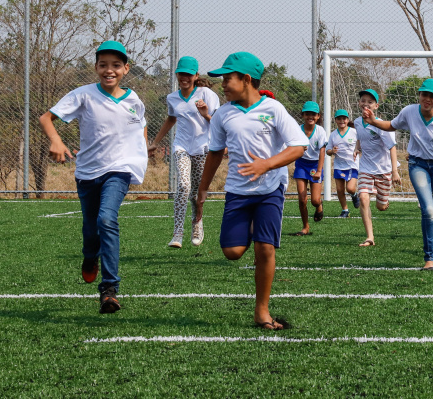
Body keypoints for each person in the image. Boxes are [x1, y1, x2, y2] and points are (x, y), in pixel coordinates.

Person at [196, 52, 308, 330]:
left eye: (227, 78)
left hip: (271, 189)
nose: (222, 83)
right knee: (232, 252)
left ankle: (262, 310)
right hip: (237, 191)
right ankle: (254, 229)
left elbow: (298, 146)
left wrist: (267, 165)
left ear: (246, 80)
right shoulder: (223, 114)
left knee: (265, 248)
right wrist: (202, 191)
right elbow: (214, 154)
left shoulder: (273, 109)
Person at [39, 40, 148, 314]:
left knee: (107, 219)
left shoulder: (134, 99)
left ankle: (109, 289)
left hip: (119, 171)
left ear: (126, 69)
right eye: (103, 65)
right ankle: (90, 257)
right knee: (90, 230)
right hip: (87, 172)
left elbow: (141, 128)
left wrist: (142, 153)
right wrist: (56, 142)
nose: (108, 70)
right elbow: (45, 118)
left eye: (115, 65)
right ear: (96, 67)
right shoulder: (84, 95)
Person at [362, 78, 433, 270]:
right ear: (419, 95)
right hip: (417, 165)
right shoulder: (409, 111)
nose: (427, 99)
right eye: (424, 94)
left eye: (432, 96)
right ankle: (429, 259)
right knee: (428, 211)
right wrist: (373, 121)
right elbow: (391, 126)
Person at [148, 56, 220, 248]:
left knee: (196, 193)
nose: (184, 78)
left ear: (196, 75)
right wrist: (155, 142)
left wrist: (205, 114)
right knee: (183, 185)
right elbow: (171, 120)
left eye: (188, 74)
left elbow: (218, 123)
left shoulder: (207, 94)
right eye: (181, 74)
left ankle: (197, 223)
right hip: (181, 147)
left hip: (203, 148)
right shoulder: (172, 98)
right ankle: (177, 232)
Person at [353, 89, 401, 247]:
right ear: (359, 103)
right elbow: (360, 136)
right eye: (363, 100)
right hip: (366, 168)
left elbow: (392, 147)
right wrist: (357, 148)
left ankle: (384, 201)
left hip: (384, 170)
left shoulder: (381, 125)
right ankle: (370, 237)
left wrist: (394, 172)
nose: (366, 104)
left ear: (376, 106)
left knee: (380, 207)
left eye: (370, 102)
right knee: (363, 199)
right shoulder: (358, 122)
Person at [292, 101, 327, 236]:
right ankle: (305, 226)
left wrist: (319, 171)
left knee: (314, 200)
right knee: (302, 198)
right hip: (301, 164)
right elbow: (291, 146)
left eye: (313, 114)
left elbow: (322, 152)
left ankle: (319, 205)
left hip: (315, 165)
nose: (310, 117)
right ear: (303, 115)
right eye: (307, 114)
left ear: (318, 116)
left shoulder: (320, 131)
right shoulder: (297, 130)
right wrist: (299, 148)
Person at [327, 109, 359, 218]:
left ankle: (354, 195)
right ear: (335, 120)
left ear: (348, 120)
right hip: (338, 165)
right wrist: (332, 151)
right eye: (339, 119)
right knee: (340, 190)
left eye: (344, 118)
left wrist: (357, 150)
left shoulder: (354, 132)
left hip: (352, 165)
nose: (342, 121)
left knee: (350, 188)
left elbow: (361, 144)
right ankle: (345, 210)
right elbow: (328, 150)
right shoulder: (333, 135)